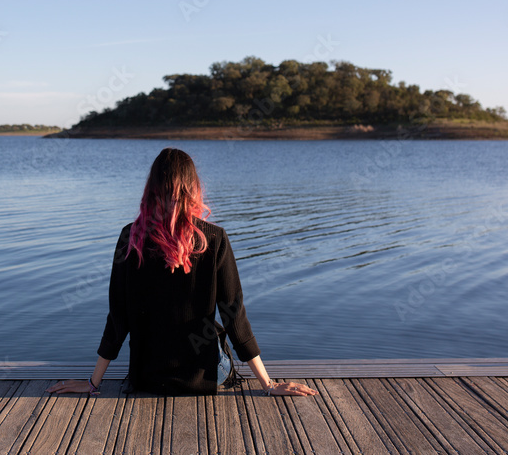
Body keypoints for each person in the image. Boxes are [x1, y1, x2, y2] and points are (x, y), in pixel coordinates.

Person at [46, 148, 316, 398]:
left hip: (147, 377)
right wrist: (268, 384)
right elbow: (233, 312)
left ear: (151, 188)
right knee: (219, 335)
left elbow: (118, 316)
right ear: (193, 187)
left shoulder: (131, 237)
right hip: (205, 376)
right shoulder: (215, 238)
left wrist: (93, 383)